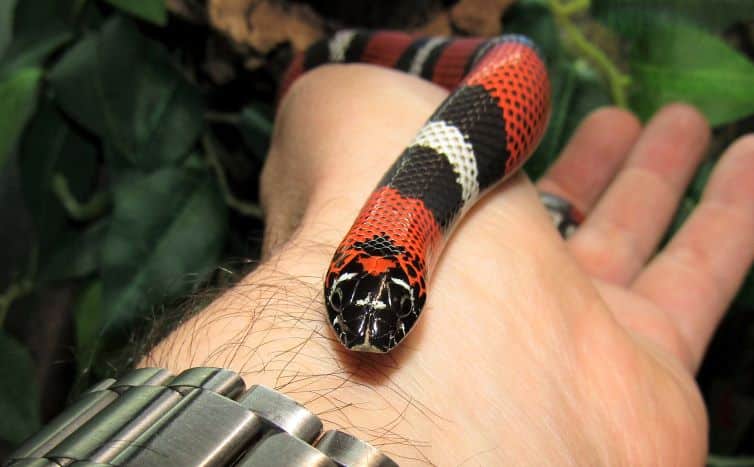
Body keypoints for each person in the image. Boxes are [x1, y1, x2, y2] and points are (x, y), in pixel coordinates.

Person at [140, 64, 754, 465]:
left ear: (422, 286)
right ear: (333, 269)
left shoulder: (401, 224)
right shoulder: (387, 233)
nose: (368, 338)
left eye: (402, 311)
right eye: (344, 302)